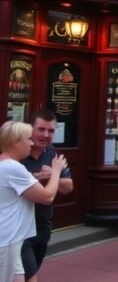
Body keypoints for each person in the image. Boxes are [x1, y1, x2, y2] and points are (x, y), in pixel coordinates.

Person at [0, 121, 66, 282]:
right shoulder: (13, 168)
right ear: (15, 142)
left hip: (13, 238)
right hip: (7, 239)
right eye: (27, 139)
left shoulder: (6, 165)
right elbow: (47, 197)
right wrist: (56, 171)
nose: (31, 143)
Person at [20, 109, 73, 282]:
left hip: (42, 224)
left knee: (27, 271)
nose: (45, 135)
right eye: (41, 129)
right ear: (29, 129)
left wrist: (53, 175)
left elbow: (68, 187)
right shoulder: (16, 153)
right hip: (17, 227)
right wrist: (35, 178)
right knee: (29, 275)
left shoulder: (51, 153)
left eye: (50, 130)